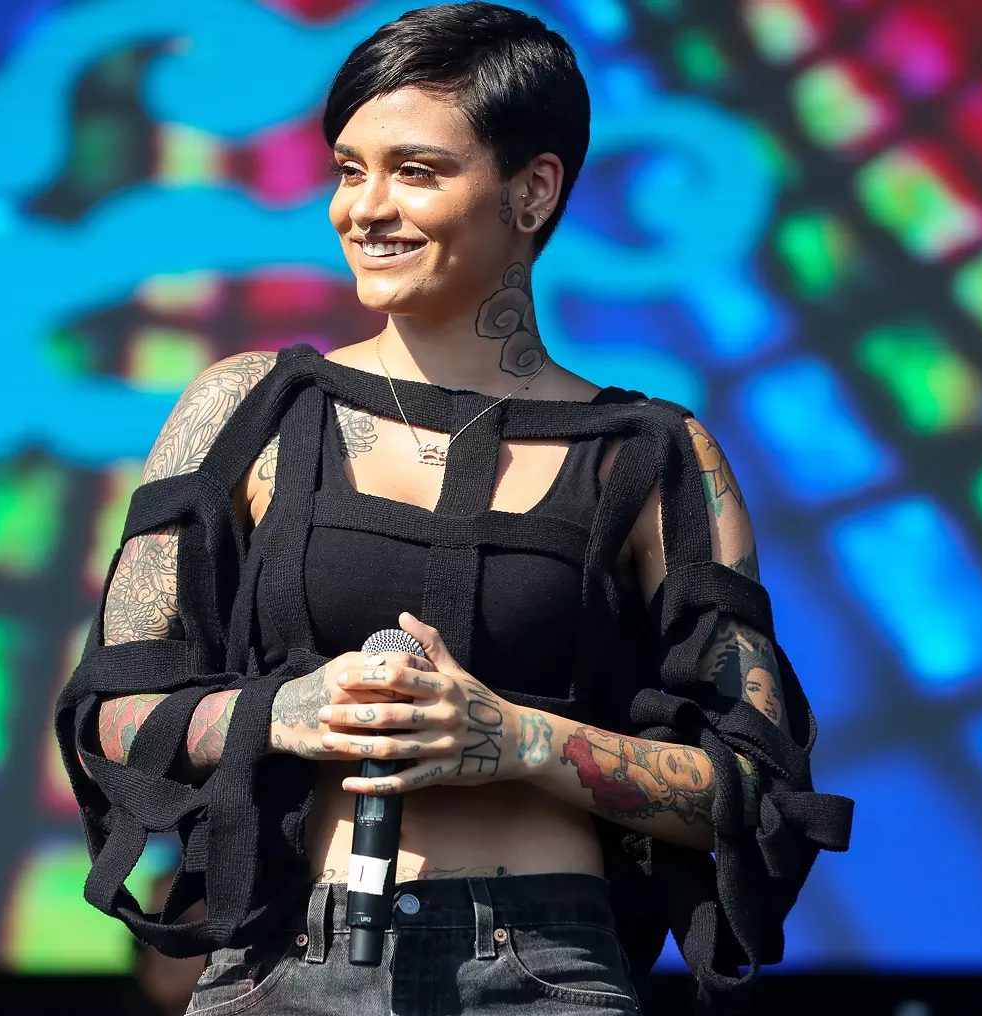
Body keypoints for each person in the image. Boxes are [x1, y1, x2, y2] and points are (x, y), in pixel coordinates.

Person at [55, 4, 852, 1014]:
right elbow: (111, 715)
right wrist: (285, 711)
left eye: (416, 171)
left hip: (542, 969)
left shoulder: (654, 454)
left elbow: (753, 790)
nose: (366, 208)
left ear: (533, 190)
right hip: (279, 961)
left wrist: (519, 740)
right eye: (349, 170)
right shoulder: (248, 409)